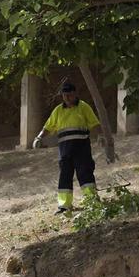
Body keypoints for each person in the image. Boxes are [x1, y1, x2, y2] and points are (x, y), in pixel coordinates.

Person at [31, 78, 101, 214]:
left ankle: (92, 201)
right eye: (64, 95)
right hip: (65, 150)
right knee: (65, 176)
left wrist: (101, 136)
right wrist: (39, 137)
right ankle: (64, 206)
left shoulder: (84, 107)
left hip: (82, 148)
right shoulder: (58, 111)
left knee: (85, 173)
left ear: (75, 93)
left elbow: (94, 123)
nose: (67, 98)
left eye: (69, 94)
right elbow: (48, 126)